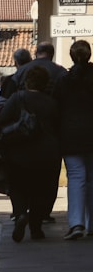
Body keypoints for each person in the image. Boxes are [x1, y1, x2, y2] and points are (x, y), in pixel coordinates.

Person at [0, 65, 61, 242]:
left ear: (26, 82)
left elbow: (2, 119)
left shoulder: (17, 98)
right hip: (46, 152)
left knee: (17, 186)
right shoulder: (51, 102)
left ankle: (20, 214)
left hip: (18, 150)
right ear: (45, 84)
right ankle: (36, 226)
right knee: (42, 189)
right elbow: (58, 127)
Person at [54, 40, 93, 240]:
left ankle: (76, 222)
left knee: (76, 177)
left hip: (70, 135)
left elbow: (56, 108)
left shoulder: (64, 80)